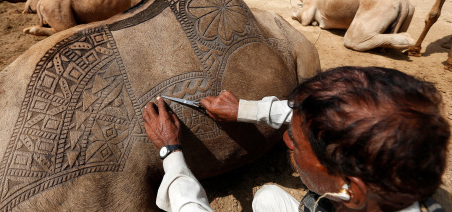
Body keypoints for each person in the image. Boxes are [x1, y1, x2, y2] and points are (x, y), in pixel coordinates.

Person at [142, 66, 450, 212]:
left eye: (298, 143)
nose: (287, 142)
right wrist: (243, 109)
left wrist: (171, 152)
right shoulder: (402, 172)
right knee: (266, 199)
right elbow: (305, 114)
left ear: (351, 191)